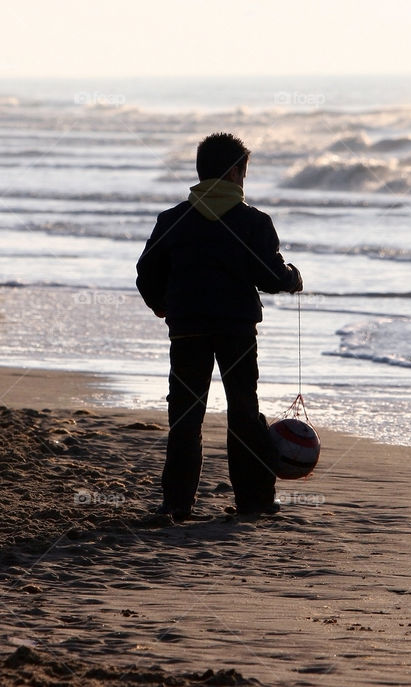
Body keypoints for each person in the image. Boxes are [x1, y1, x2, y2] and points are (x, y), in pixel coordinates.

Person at [136, 132, 302, 521]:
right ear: (233, 173)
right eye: (243, 171)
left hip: (187, 327)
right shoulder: (253, 221)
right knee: (244, 411)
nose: (244, 180)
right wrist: (294, 277)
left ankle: (176, 503)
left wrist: (163, 306)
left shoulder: (173, 219)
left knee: (185, 414)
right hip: (236, 328)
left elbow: (146, 272)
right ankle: (254, 501)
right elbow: (270, 276)